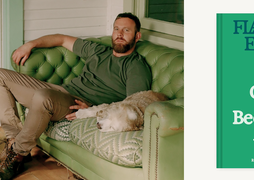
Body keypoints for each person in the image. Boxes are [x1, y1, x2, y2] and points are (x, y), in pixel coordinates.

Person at [0, 12, 152, 180]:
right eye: (117, 29)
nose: (120, 34)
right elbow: (61, 39)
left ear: (137, 36)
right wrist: (29, 44)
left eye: (126, 30)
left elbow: (133, 106)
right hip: (61, 91)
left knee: (43, 97)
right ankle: (14, 138)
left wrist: (94, 110)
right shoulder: (99, 51)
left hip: (76, 103)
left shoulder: (135, 66)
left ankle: (18, 153)